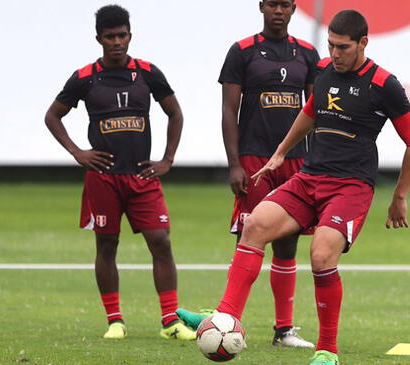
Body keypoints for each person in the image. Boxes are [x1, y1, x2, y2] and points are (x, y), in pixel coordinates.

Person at [182, 9, 410, 365]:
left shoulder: (384, 84)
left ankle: (328, 350)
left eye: (343, 47)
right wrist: (280, 153)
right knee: (254, 225)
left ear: (363, 44)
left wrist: (399, 196)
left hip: (351, 187)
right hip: (309, 178)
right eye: (331, 46)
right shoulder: (326, 71)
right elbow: (310, 113)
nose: (335, 53)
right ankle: (224, 318)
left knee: (321, 254)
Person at [43, 4, 195, 341]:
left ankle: (170, 321)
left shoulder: (147, 72)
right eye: (110, 36)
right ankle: (115, 321)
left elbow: (175, 113)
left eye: (122, 35)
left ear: (130, 36)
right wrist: (77, 152)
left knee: (161, 242)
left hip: (142, 177)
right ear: (99, 38)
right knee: (106, 246)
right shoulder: (84, 77)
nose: (117, 42)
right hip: (103, 179)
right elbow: (52, 116)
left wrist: (167, 160)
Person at [176, 0, 319, 349]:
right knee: (248, 238)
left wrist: (316, 160)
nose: (278, 11)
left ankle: (284, 330)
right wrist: (235, 163)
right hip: (254, 160)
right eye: (272, 4)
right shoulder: (242, 51)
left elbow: (316, 112)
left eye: (285, 4)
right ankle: (225, 318)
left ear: (294, 8)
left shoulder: (308, 54)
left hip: (295, 160)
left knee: (287, 242)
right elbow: (229, 109)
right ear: (261, 7)